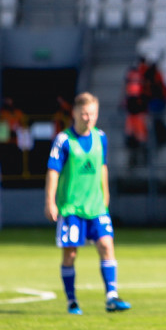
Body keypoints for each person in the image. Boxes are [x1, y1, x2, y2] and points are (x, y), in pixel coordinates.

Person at [44, 93, 131, 314]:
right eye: (84, 113)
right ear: (74, 113)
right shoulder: (63, 140)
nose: (88, 117)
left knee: (106, 246)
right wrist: (50, 202)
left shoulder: (101, 137)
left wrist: (106, 194)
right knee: (70, 254)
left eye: (92, 113)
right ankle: (72, 301)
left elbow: (102, 166)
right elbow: (53, 171)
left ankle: (112, 296)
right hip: (72, 207)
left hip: (96, 206)